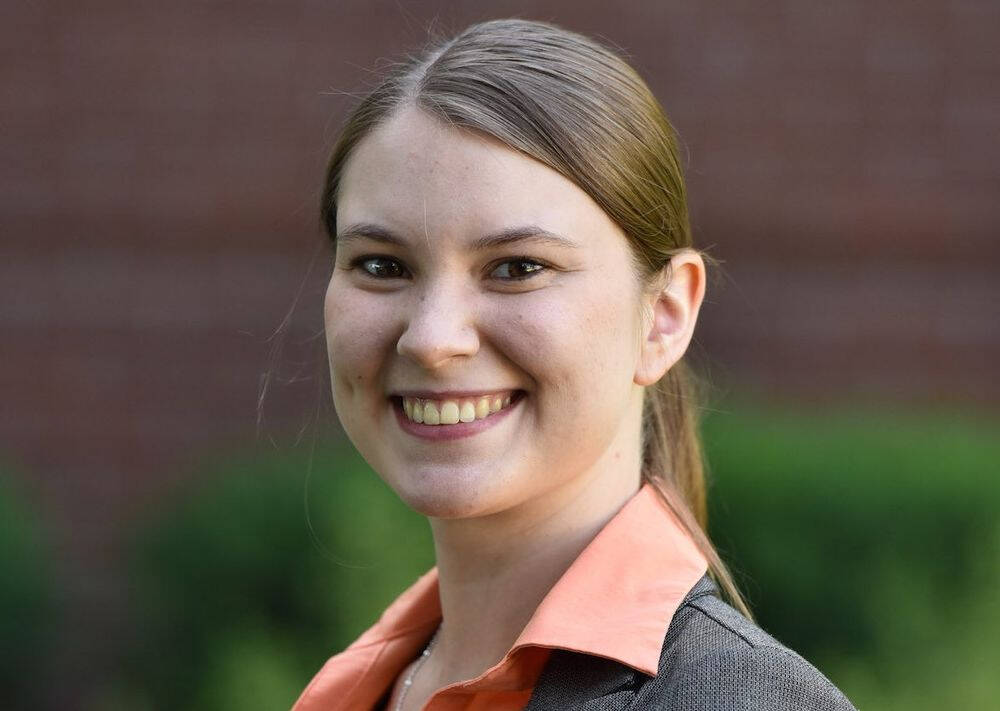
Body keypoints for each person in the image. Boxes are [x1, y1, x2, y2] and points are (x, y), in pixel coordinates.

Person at [292, 17, 858, 711]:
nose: (433, 339)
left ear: (664, 315)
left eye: (517, 267)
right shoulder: (359, 689)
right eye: (382, 265)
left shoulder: (743, 699)